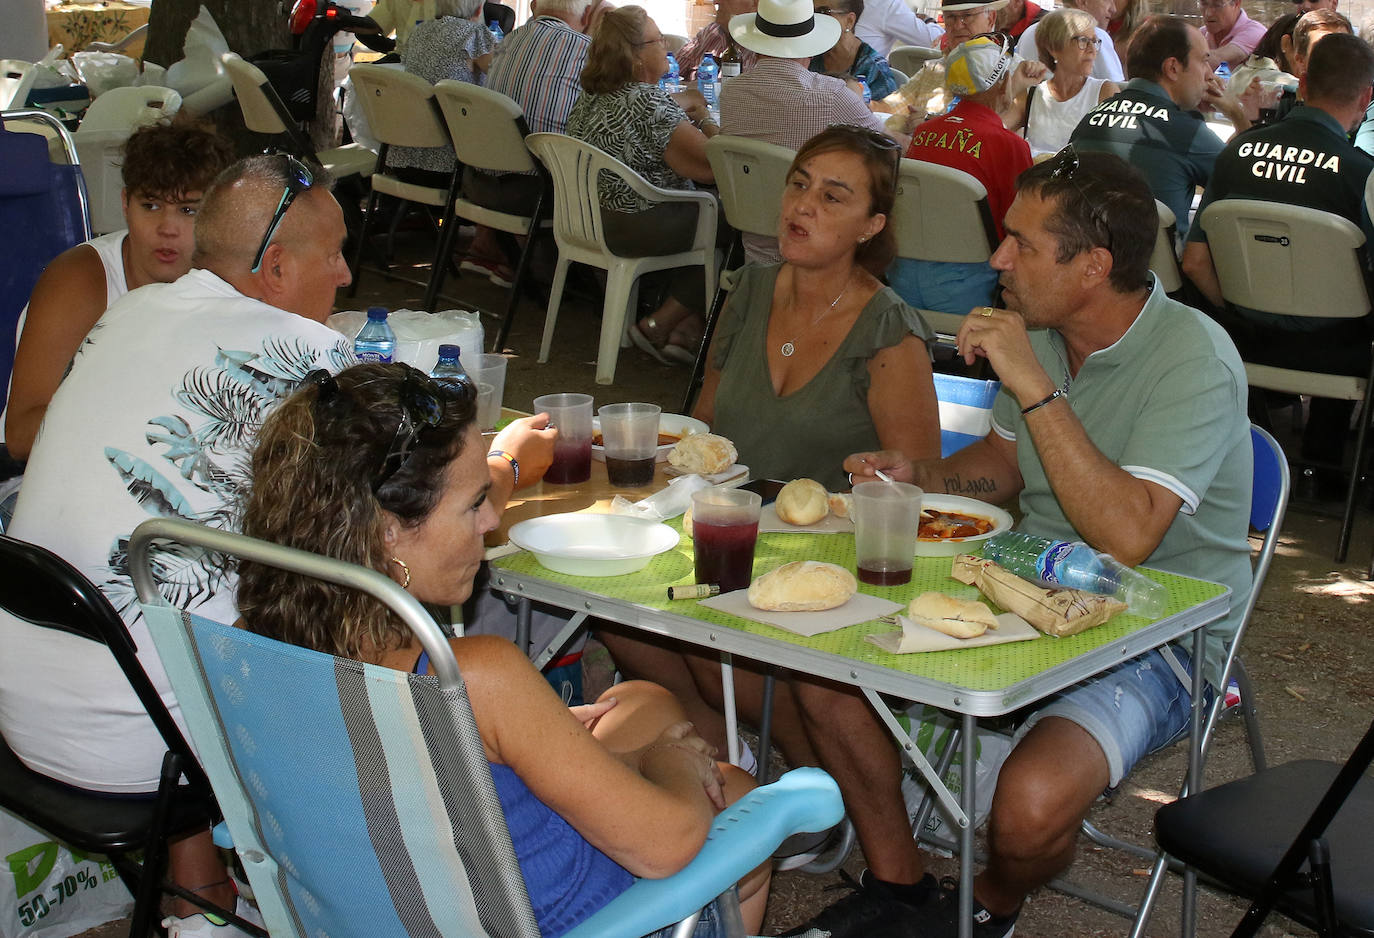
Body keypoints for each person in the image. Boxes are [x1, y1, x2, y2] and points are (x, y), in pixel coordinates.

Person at [784, 149, 1252, 938]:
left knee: (1028, 806)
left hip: (1166, 626)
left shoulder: (1194, 359)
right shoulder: (1046, 329)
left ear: (1093, 266)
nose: (997, 259)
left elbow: (1130, 536)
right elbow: (1003, 463)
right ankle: (900, 881)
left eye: (1021, 245)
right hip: (1020, 581)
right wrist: (920, 475)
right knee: (819, 668)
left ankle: (988, 902)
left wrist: (1036, 385)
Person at [235, 362, 770, 937]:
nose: (491, 522)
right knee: (740, 799)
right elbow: (667, 847)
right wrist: (671, 766)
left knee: (641, 702)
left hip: (405, 882)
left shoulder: (256, 647)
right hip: (578, 916)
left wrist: (531, 738)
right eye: (473, 504)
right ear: (388, 530)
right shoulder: (473, 675)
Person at [601, 125, 939, 789]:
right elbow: (703, 426)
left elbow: (918, 483)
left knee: (717, 649)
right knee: (623, 615)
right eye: (799, 185)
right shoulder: (749, 289)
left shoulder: (887, 330)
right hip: (729, 530)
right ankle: (730, 758)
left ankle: (821, 785)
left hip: (825, 556)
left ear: (872, 226)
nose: (802, 206)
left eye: (832, 197)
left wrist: (877, 475)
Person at [1182, 32, 1374, 488]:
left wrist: (1236, 312)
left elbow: (1193, 261)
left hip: (1246, 340)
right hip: (1337, 355)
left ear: (1301, 84)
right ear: (1367, 98)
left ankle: (1255, 458)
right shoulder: (1361, 174)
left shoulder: (1235, 154)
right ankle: (1328, 473)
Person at [3, 116, 234, 463]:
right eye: (151, 205)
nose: (167, 228)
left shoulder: (230, 279)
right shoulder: (80, 279)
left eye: (188, 210)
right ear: (126, 204)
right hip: (39, 476)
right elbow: (21, 436)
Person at [567, 5, 721, 365]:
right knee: (732, 221)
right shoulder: (646, 102)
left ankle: (684, 329)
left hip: (589, 221)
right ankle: (657, 324)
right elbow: (712, 167)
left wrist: (681, 107)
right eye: (657, 40)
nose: (666, 45)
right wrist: (708, 122)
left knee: (709, 212)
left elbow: (651, 116)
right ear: (636, 57)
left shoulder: (591, 95)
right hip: (635, 226)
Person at [720, 0, 897, 265]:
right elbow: (889, 150)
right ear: (809, 46)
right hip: (818, 249)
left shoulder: (731, 92)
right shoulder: (832, 96)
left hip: (752, 249)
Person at [888, 36, 1034, 317]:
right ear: (1003, 82)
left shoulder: (923, 132)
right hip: (968, 286)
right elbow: (1018, 227)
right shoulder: (1010, 145)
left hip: (902, 274)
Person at [1070, 15, 1249, 239]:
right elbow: (1246, 183)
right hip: (1155, 270)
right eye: (1203, 61)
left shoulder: (1091, 118)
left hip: (1087, 258)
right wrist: (1237, 114)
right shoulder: (1187, 132)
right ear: (1172, 68)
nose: (1209, 74)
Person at [467, 0, 594, 289]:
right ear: (586, 15)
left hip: (477, 184)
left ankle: (520, 263)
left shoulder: (508, 41)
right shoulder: (586, 50)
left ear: (535, 6)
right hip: (533, 194)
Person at [384, 0, 495, 190]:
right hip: (450, 167)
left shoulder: (419, 32)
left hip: (402, 160)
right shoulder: (475, 34)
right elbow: (498, 75)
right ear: (478, 10)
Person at [1012, 8, 1119, 156]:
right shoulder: (1031, 95)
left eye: (1094, 42)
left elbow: (1114, 153)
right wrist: (1015, 85)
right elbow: (993, 130)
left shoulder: (1105, 92)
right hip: (1035, 177)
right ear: (1054, 47)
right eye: (1083, 41)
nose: (1092, 50)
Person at [809, 0, 899, 100]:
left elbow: (885, 113)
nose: (814, 18)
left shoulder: (874, 70)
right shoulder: (809, 57)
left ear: (849, 21)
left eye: (823, 12)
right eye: (810, 11)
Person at [1018, 0, 1125, 82]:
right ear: (1082, 1)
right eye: (1107, 0)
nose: (1113, 9)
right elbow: (1117, 93)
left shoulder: (1028, 33)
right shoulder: (1097, 36)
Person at [676, 0, 760, 81]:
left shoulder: (764, 50)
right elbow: (670, 72)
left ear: (755, 3)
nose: (716, 2)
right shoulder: (711, 32)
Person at [854, 0, 943, 58]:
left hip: (849, 74)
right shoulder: (886, 4)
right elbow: (932, 40)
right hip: (860, 79)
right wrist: (929, 20)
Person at [1200, 0, 1267, 70]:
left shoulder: (1255, 32)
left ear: (1236, 4)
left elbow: (1216, 59)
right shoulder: (1201, 33)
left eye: (1217, 5)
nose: (1208, 13)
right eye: (1203, 4)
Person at [938, 0, 1007, 52]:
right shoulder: (932, 67)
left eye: (967, 15)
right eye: (951, 16)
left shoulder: (1011, 67)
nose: (958, 26)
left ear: (990, 19)